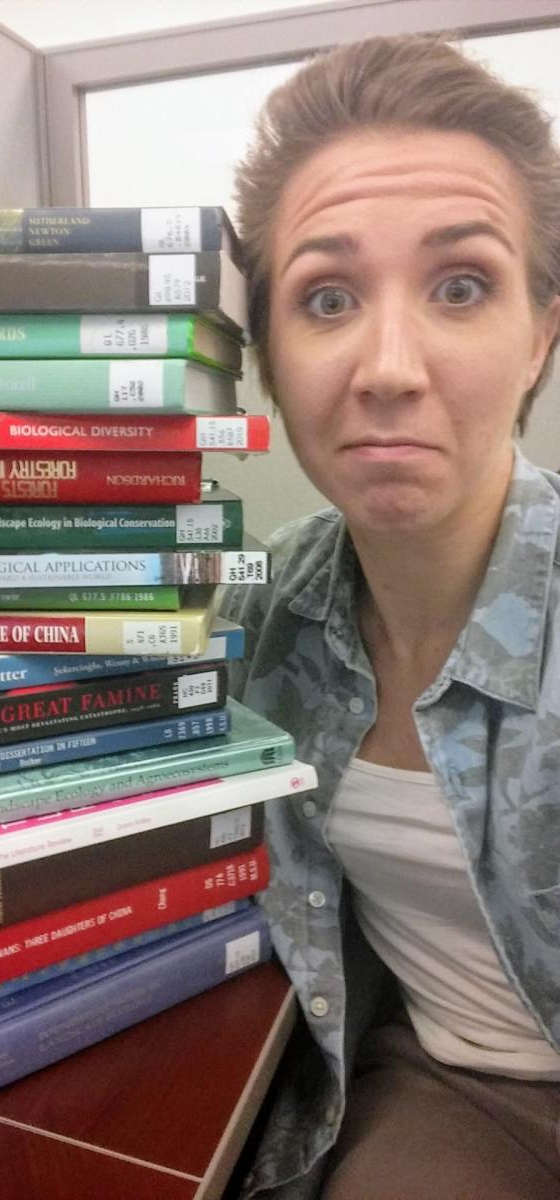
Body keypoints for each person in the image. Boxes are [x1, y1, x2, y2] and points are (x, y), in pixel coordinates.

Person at [220, 32, 560, 1200]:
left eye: (460, 285)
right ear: (269, 354)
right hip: (446, 1091)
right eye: (327, 297)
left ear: (541, 337)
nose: (388, 366)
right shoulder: (259, 614)